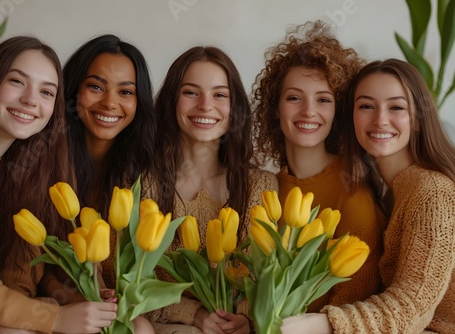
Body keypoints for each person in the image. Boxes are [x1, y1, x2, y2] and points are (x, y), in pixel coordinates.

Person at [0, 36, 117, 333]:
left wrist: (86, 297)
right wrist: (51, 318)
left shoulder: (33, 175)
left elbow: (18, 278)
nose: (31, 100)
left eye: (46, 91)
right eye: (17, 81)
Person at [282, 58, 455, 333]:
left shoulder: (432, 191)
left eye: (396, 107)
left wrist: (324, 323)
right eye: (366, 106)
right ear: (351, 117)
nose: (380, 120)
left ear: (419, 119)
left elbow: (412, 306)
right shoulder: (386, 189)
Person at [252, 20, 386, 312]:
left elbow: (352, 302)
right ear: (275, 107)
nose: (308, 111)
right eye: (294, 98)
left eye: (323, 99)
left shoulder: (353, 193)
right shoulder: (264, 187)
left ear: (337, 111)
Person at [148, 45, 278, 334]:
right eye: (191, 92)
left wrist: (245, 318)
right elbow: (127, 285)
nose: (205, 105)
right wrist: (194, 314)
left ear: (235, 109)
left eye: (220, 94)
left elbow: (264, 276)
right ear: (172, 101)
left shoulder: (261, 185)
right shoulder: (144, 186)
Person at [59, 34, 157, 333]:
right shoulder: (44, 163)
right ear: (73, 90)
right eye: (96, 86)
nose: (110, 102)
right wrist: (71, 297)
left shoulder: (144, 175)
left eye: (125, 91)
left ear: (139, 101)